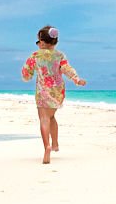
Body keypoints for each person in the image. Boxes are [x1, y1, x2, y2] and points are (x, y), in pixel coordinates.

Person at [21, 25, 86, 165]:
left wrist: (26, 77)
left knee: (44, 119)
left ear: (42, 42)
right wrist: (76, 79)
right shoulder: (60, 55)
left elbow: (26, 74)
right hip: (57, 92)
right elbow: (67, 69)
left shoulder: (35, 56)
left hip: (43, 91)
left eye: (38, 41)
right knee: (51, 116)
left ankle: (47, 147)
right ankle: (55, 143)